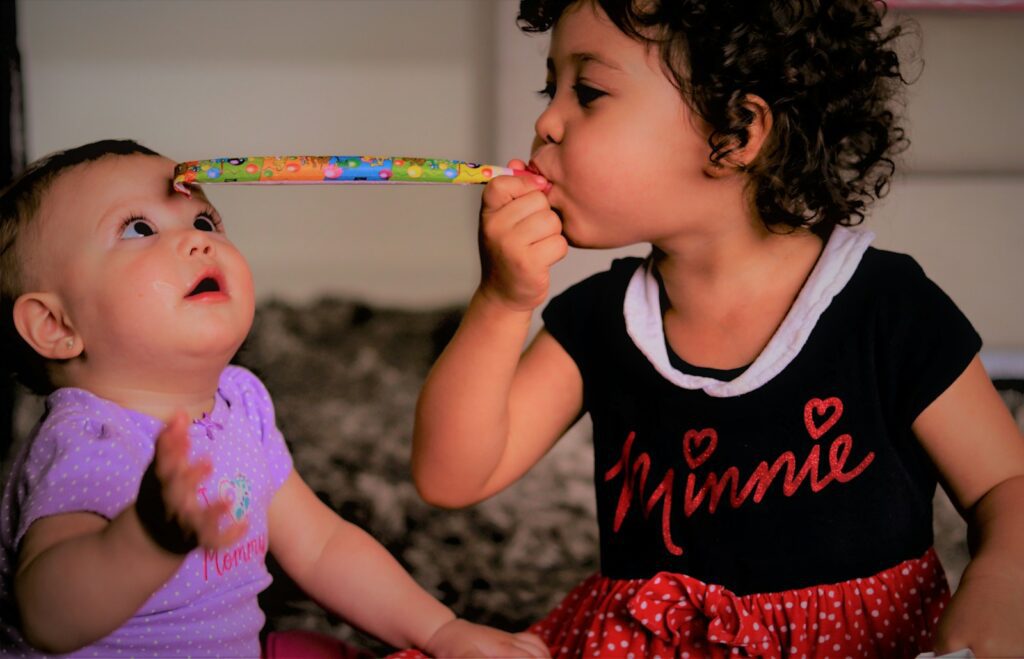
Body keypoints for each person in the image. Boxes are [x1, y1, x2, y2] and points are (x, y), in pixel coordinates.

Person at [411, 1, 1024, 657]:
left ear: (735, 132)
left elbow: (1003, 486)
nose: (546, 121)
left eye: (587, 92)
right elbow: (452, 475)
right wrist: (502, 300)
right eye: (550, 87)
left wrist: (1005, 584)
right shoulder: (602, 318)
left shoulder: (885, 306)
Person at [0, 139, 549, 659]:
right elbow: (47, 616)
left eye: (204, 219)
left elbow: (322, 547)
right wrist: (144, 538)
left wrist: (442, 630)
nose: (199, 239)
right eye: (139, 228)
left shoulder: (241, 400)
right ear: (54, 325)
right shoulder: (86, 439)